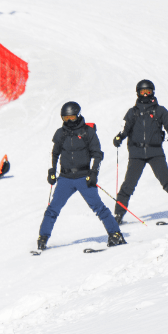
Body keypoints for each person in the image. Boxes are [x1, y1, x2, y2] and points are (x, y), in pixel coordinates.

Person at [37, 101, 124, 250]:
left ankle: (115, 234)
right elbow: (55, 153)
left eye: (71, 118)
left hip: (84, 177)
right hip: (65, 178)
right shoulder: (61, 133)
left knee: (98, 207)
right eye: (65, 118)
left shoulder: (87, 132)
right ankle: (42, 238)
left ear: (78, 115)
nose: (69, 121)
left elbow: (97, 154)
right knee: (53, 209)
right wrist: (52, 170)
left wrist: (94, 172)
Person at [112, 80, 168, 223]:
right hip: (136, 153)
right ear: (138, 93)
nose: (146, 94)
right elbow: (124, 128)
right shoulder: (132, 112)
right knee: (128, 185)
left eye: (148, 91)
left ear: (153, 92)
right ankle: (117, 216)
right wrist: (119, 137)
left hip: (155, 152)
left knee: (167, 181)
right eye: (143, 92)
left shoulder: (160, 110)